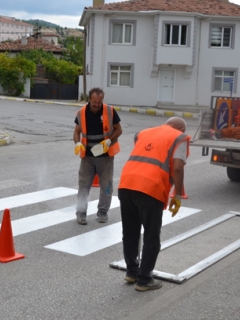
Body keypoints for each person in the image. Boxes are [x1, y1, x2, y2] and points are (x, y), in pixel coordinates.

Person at [118, 117, 189, 292]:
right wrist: (177, 195)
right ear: (180, 128)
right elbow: (178, 167)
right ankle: (144, 279)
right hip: (150, 188)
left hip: (126, 184)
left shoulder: (144, 133)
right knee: (151, 235)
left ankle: (132, 272)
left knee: (130, 232)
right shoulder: (179, 138)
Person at [73, 87, 122, 225]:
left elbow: (119, 129)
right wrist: (77, 143)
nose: (97, 104)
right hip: (87, 157)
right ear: (89, 99)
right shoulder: (82, 113)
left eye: (99, 102)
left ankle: (102, 212)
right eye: (94, 101)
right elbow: (77, 132)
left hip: (105, 156)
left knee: (106, 185)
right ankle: (81, 213)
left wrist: (109, 140)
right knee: (84, 185)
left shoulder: (109, 111)